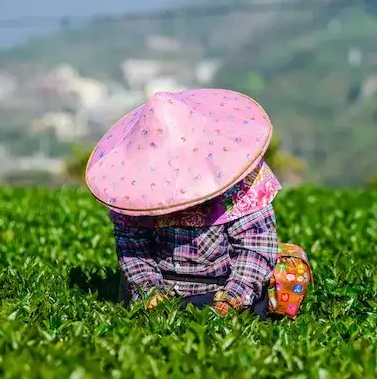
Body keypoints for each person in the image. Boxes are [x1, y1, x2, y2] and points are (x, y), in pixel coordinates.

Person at [84, 88, 306, 319]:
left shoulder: (240, 181)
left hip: (223, 289)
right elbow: (133, 247)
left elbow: (255, 247)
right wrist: (149, 290)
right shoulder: (133, 188)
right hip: (160, 294)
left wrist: (233, 296)